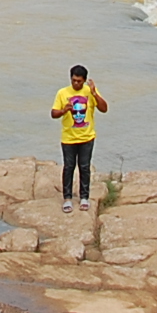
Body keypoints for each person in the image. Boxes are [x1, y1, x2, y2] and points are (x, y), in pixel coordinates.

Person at [51, 65, 109, 213]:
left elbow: (104, 108)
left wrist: (95, 94)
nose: (76, 84)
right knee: (69, 167)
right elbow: (53, 113)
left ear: (84, 80)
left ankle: (84, 197)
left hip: (87, 137)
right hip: (68, 138)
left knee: (84, 167)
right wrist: (64, 110)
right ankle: (67, 198)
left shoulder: (89, 92)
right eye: (74, 80)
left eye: (79, 81)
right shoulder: (62, 93)